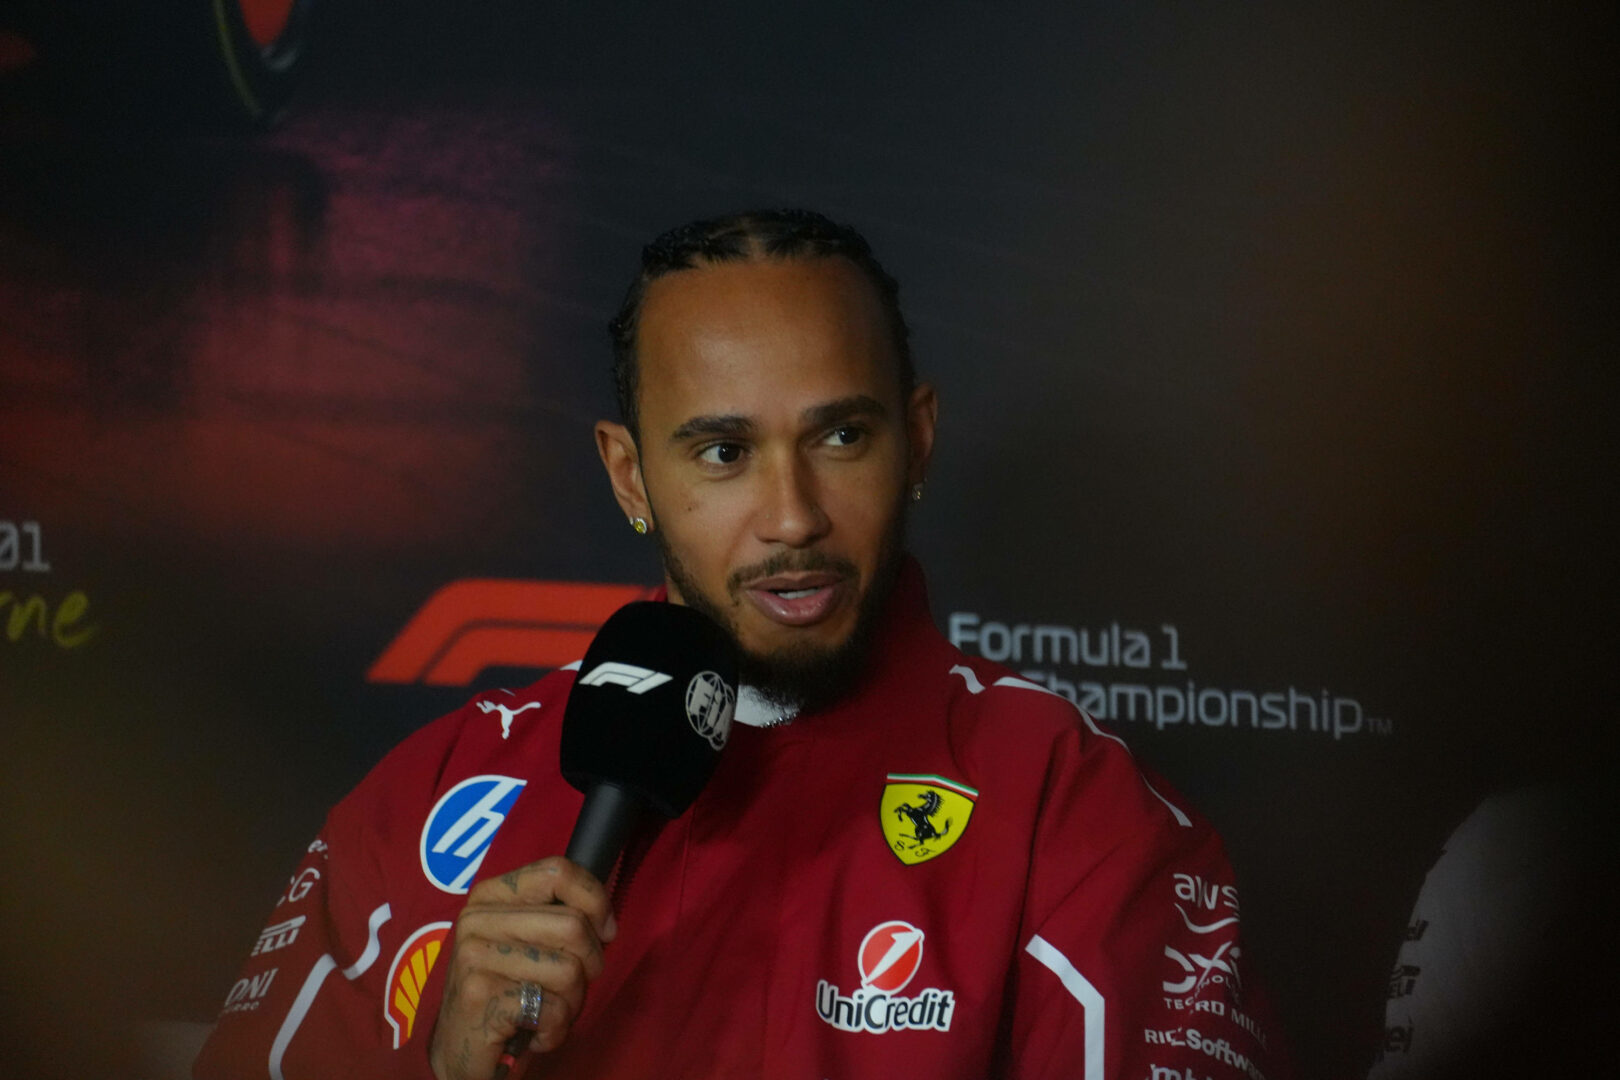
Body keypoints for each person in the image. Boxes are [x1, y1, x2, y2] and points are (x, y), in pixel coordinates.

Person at [194, 209, 1289, 1080]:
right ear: (630, 476)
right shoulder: (428, 798)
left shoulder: (1073, 813)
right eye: (723, 452)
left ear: (917, 442)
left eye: (841, 436)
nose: (793, 517)